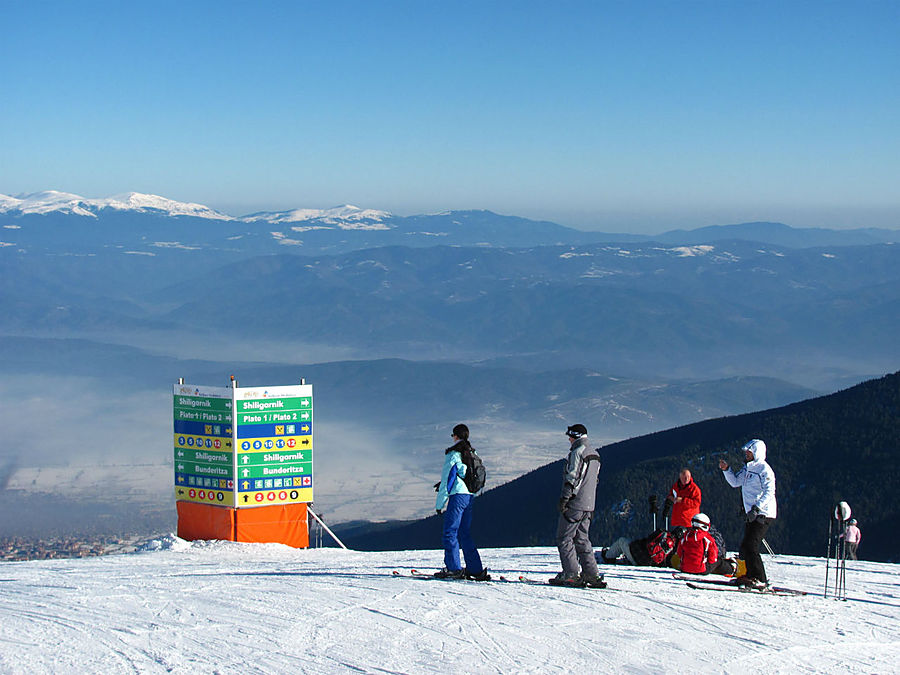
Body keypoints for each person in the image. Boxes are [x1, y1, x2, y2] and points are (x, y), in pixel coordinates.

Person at [550, 424, 606, 588]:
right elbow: (594, 480)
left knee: (564, 537)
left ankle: (571, 573)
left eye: (570, 436)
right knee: (582, 538)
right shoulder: (595, 455)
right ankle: (591, 573)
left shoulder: (577, 453)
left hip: (576, 503)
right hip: (589, 504)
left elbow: (573, 477)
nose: (568, 439)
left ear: (575, 436)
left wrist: (565, 498)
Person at [433, 424, 489, 580]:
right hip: (469, 496)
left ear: (456, 436)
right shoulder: (472, 452)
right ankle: (475, 569)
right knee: (464, 532)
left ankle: (454, 568)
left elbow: (446, 481)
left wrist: (439, 504)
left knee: (450, 532)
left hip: (457, 496)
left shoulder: (453, 454)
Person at [719, 438, 777, 589]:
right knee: (745, 546)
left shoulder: (764, 469)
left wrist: (757, 508)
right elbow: (735, 482)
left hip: (764, 514)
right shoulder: (747, 469)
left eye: (749, 453)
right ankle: (749, 575)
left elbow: (770, 491)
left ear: (757, 453)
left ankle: (760, 578)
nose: (746, 455)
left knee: (752, 545)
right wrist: (727, 470)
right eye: (746, 453)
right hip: (752, 513)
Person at [598, 527, 682, 568]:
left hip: (637, 556)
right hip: (648, 564)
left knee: (622, 541)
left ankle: (608, 557)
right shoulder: (674, 548)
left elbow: (647, 541)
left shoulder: (662, 533)